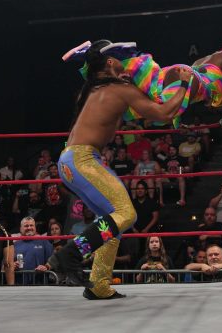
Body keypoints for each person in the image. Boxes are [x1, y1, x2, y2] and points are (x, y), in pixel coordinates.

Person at [48, 39, 193, 299]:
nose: (125, 62)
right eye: (120, 58)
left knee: (111, 222)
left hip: (70, 161)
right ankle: (69, 254)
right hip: (82, 160)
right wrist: (184, 84)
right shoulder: (120, 88)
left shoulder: (92, 90)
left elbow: (127, 115)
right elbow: (163, 114)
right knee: (126, 213)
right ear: (110, 62)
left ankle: (99, 286)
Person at [61, 40, 222, 127]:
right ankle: (97, 59)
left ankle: (90, 59)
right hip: (187, 78)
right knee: (148, 108)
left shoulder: (204, 61)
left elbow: (185, 96)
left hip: (175, 75)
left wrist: (177, 123)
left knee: (133, 99)